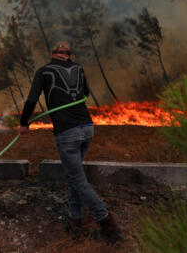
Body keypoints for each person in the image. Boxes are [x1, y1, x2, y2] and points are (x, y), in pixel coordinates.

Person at [19, 42, 124, 244]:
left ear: (52, 55)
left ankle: (108, 223)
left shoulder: (44, 71)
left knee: (77, 179)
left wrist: (24, 123)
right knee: (73, 175)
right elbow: (85, 93)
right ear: (69, 55)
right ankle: (75, 218)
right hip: (87, 128)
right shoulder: (78, 68)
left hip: (67, 132)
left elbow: (32, 99)